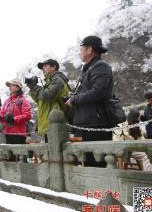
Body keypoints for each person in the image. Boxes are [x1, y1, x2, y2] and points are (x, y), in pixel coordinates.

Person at [66, 35, 114, 167]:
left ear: (89, 49)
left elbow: (98, 92)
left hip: (96, 124)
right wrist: (71, 98)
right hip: (85, 124)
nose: (79, 52)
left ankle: (101, 188)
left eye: (81, 49)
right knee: (87, 163)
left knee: (97, 165)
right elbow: (85, 92)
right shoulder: (87, 69)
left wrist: (74, 99)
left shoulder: (101, 66)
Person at [26, 59, 70, 142]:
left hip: (55, 123)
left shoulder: (58, 80)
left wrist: (35, 87)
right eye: (42, 67)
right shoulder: (49, 82)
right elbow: (40, 101)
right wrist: (32, 88)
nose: (43, 69)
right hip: (49, 123)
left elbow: (47, 95)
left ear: (54, 67)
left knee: (56, 152)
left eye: (45, 66)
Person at [0, 79, 32, 144]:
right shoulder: (7, 101)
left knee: (19, 153)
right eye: (9, 86)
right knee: (8, 154)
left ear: (18, 87)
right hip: (7, 132)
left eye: (12, 85)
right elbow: (2, 112)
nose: (10, 87)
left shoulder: (23, 100)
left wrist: (14, 119)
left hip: (19, 134)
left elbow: (28, 115)